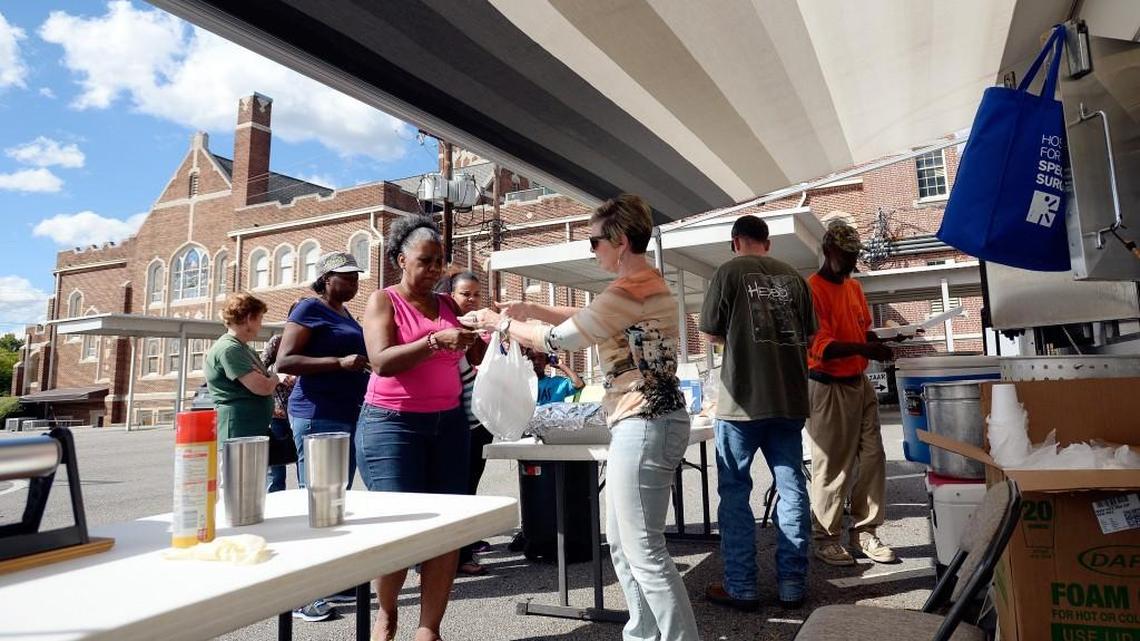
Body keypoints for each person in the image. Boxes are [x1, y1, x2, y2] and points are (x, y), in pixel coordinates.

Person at [464, 194, 699, 641]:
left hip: (644, 420)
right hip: (648, 420)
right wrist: (529, 309)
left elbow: (558, 339)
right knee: (628, 550)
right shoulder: (640, 286)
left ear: (620, 240)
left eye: (593, 241)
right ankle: (643, 634)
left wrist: (499, 323)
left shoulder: (633, 288)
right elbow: (588, 318)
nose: (590, 249)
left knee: (644, 551)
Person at [358, 215, 478, 641]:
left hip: (448, 425)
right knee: (399, 528)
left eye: (440, 262)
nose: (434, 270)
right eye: (425, 261)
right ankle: (387, 613)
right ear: (400, 260)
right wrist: (433, 342)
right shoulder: (383, 301)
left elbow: (472, 357)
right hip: (392, 425)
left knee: (447, 527)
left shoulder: (448, 305)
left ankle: (429, 629)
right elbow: (381, 361)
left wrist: (479, 330)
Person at [698, 215, 816, 612]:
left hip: (741, 402)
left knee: (735, 492)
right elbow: (810, 333)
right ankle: (793, 585)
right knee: (792, 488)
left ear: (736, 242)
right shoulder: (795, 278)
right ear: (767, 242)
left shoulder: (728, 272)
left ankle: (742, 586)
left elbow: (711, 331)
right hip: (789, 398)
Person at [276, 252, 369, 619]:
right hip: (317, 414)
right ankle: (301, 594)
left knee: (335, 502)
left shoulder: (346, 315)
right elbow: (284, 361)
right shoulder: (308, 310)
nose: (354, 282)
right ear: (327, 278)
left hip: (348, 414)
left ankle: (330, 579)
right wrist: (339, 363)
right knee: (315, 505)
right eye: (347, 277)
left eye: (356, 277)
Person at [807, 220, 897, 566]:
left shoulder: (854, 287)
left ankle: (866, 531)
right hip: (828, 386)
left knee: (874, 456)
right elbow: (823, 347)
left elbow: (861, 332)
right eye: (846, 256)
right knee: (833, 465)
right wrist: (865, 347)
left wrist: (877, 341)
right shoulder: (812, 290)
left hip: (859, 382)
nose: (850, 263)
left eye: (854, 256)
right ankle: (826, 537)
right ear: (829, 251)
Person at [438, 270, 493, 577]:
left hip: (478, 422)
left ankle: (460, 551)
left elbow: (481, 361)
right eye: (465, 294)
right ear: (450, 295)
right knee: (455, 490)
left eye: (475, 294)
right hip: (454, 421)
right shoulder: (445, 327)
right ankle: (455, 556)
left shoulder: (476, 329)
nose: (471, 300)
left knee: (468, 487)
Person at [205, 293, 275, 442]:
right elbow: (262, 386)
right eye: (260, 318)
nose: (261, 325)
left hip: (250, 430)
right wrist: (275, 378)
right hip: (239, 432)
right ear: (249, 318)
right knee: (239, 467)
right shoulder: (230, 349)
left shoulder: (244, 349)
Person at [261, 299, 306, 492]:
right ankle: (273, 504)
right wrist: (278, 375)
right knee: (276, 469)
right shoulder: (277, 341)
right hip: (278, 415)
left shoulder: (312, 343)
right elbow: (260, 369)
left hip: (303, 413)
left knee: (302, 464)